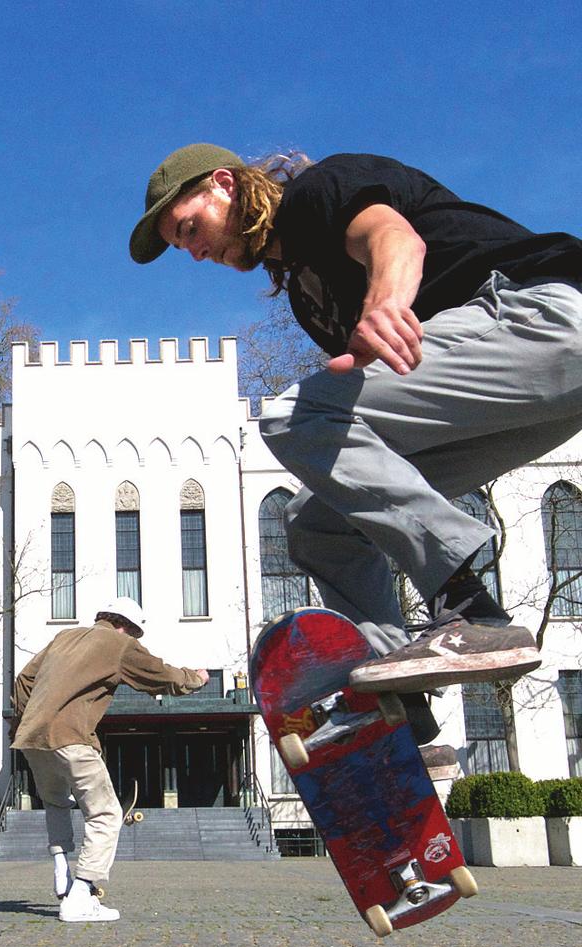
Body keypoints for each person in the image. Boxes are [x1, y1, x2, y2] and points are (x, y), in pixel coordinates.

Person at [129, 143, 582, 714]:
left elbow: (394, 239)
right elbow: (360, 436)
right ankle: (393, 694)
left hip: (544, 317)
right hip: (537, 400)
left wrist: (384, 303)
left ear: (226, 184)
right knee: (316, 522)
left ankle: (470, 606)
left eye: (190, 228)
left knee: (292, 414)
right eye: (182, 246)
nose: (195, 252)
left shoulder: (315, 193)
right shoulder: (309, 296)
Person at [11, 597, 208, 923]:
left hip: (32, 738)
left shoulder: (64, 637)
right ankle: (81, 894)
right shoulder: (119, 644)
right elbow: (161, 675)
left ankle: (62, 867)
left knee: (56, 802)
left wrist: (25, 721)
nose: (133, 641)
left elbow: (24, 680)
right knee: (106, 813)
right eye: (134, 634)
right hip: (72, 738)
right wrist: (195, 678)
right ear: (125, 626)